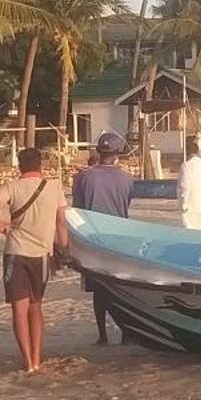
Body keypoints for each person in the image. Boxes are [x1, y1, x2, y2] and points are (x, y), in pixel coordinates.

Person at [0, 147, 68, 373]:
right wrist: (64, 249)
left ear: (20, 165)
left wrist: (0, 224)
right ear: (40, 164)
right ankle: (38, 358)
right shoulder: (55, 187)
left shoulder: (12, 186)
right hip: (41, 254)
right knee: (36, 307)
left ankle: (28, 362)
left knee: (18, 310)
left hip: (16, 252)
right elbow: (61, 223)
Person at [71, 130, 133, 345]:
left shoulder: (83, 177)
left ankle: (102, 334)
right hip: (119, 238)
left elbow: (77, 209)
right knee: (122, 287)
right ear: (117, 154)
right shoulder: (127, 178)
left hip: (93, 239)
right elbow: (127, 204)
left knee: (99, 291)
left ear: (98, 152)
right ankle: (126, 333)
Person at [178, 137, 201, 230]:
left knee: (190, 233)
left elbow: (185, 186)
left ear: (186, 153)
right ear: (198, 151)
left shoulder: (186, 165)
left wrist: (184, 204)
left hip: (190, 206)